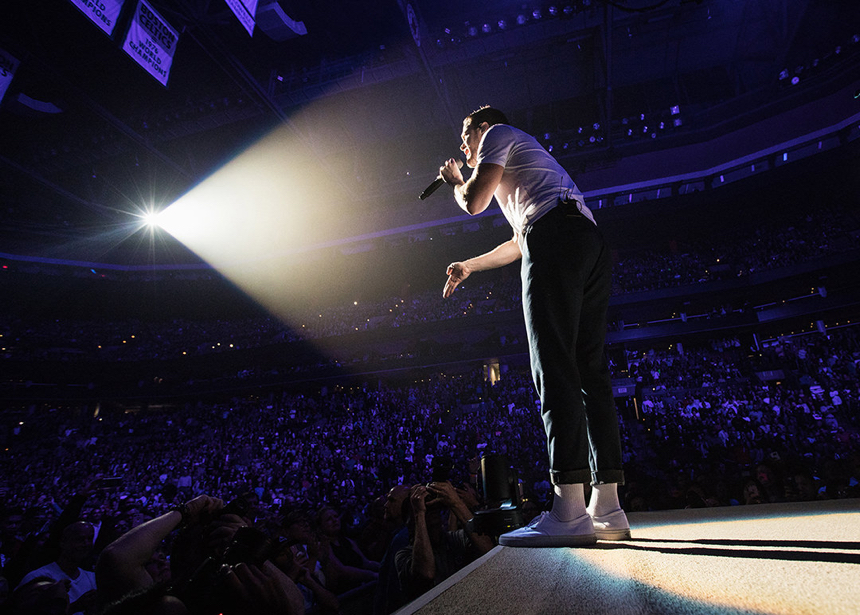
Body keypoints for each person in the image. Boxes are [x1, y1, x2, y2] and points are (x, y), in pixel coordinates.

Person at [439, 105, 630, 547]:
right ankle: (608, 505)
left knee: (553, 366)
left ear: (482, 128)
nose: (464, 146)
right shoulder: (528, 170)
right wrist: (470, 264)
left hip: (555, 239)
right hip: (585, 240)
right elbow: (518, 240)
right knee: (589, 371)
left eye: (466, 136)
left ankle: (568, 509)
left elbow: (472, 202)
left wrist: (455, 181)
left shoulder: (497, 134)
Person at [17, 521, 98, 615]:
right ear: (63, 542)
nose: (86, 544)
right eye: (80, 539)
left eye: (90, 539)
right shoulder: (37, 577)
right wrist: (74, 607)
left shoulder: (92, 578)